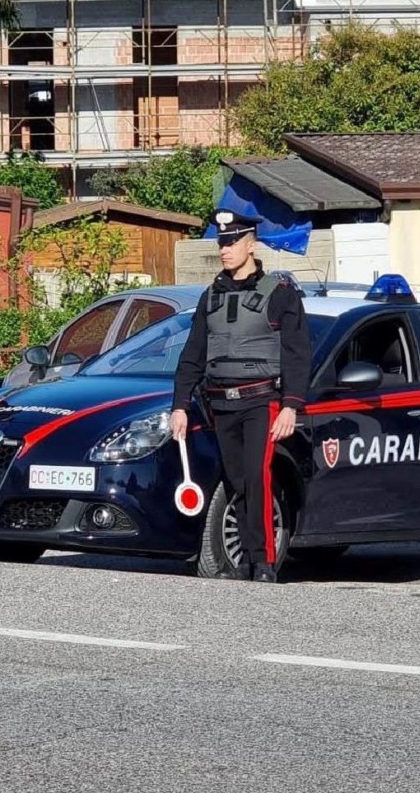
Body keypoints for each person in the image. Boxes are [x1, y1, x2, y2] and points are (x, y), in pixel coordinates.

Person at [170, 209, 311, 584]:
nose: (224, 249)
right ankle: (244, 562)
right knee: (236, 480)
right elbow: (193, 354)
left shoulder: (280, 295)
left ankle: (262, 562)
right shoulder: (210, 296)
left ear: (251, 244)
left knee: (256, 477)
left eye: (232, 242)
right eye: (221, 242)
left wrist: (291, 406)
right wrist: (180, 405)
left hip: (260, 402)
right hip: (221, 403)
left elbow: (298, 354)